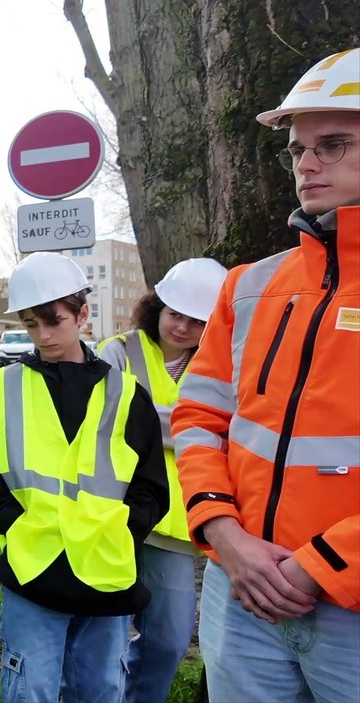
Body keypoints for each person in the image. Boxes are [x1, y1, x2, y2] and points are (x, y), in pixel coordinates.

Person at [173, 48, 360, 703]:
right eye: (298, 149)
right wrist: (224, 536)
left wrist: (318, 568)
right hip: (240, 588)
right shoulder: (247, 288)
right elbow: (197, 420)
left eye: (332, 145)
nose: (306, 164)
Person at [0, 252, 168, 703]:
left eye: (53, 321)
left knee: (97, 691)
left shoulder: (126, 394)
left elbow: (152, 487)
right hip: (33, 568)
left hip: (106, 573)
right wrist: (11, 521)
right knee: (28, 692)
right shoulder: (3, 387)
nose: (43, 335)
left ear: (82, 314)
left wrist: (123, 530)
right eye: (31, 324)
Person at [96, 257, 227, 703]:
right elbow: (108, 417)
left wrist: (149, 417)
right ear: (157, 306)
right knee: (102, 637)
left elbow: (229, 426)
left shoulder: (221, 363)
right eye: (175, 314)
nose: (183, 328)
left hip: (177, 524)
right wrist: (192, 426)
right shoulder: (117, 350)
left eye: (196, 321)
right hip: (115, 513)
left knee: (170, 640)